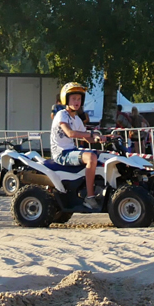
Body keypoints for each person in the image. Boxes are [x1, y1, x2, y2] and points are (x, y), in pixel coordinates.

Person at [50, 82, 103, 210]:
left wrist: (102, 137)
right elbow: (70, 133)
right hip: (61, 154)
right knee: (91, 158)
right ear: (66, 99)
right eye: (73, 98)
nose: (77, 101)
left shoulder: (77, 119)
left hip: (71, 151)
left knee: (103, 156)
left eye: (79, 99)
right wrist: (91, 133)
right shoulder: (62, 115)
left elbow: (87, 137)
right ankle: (90, 197)